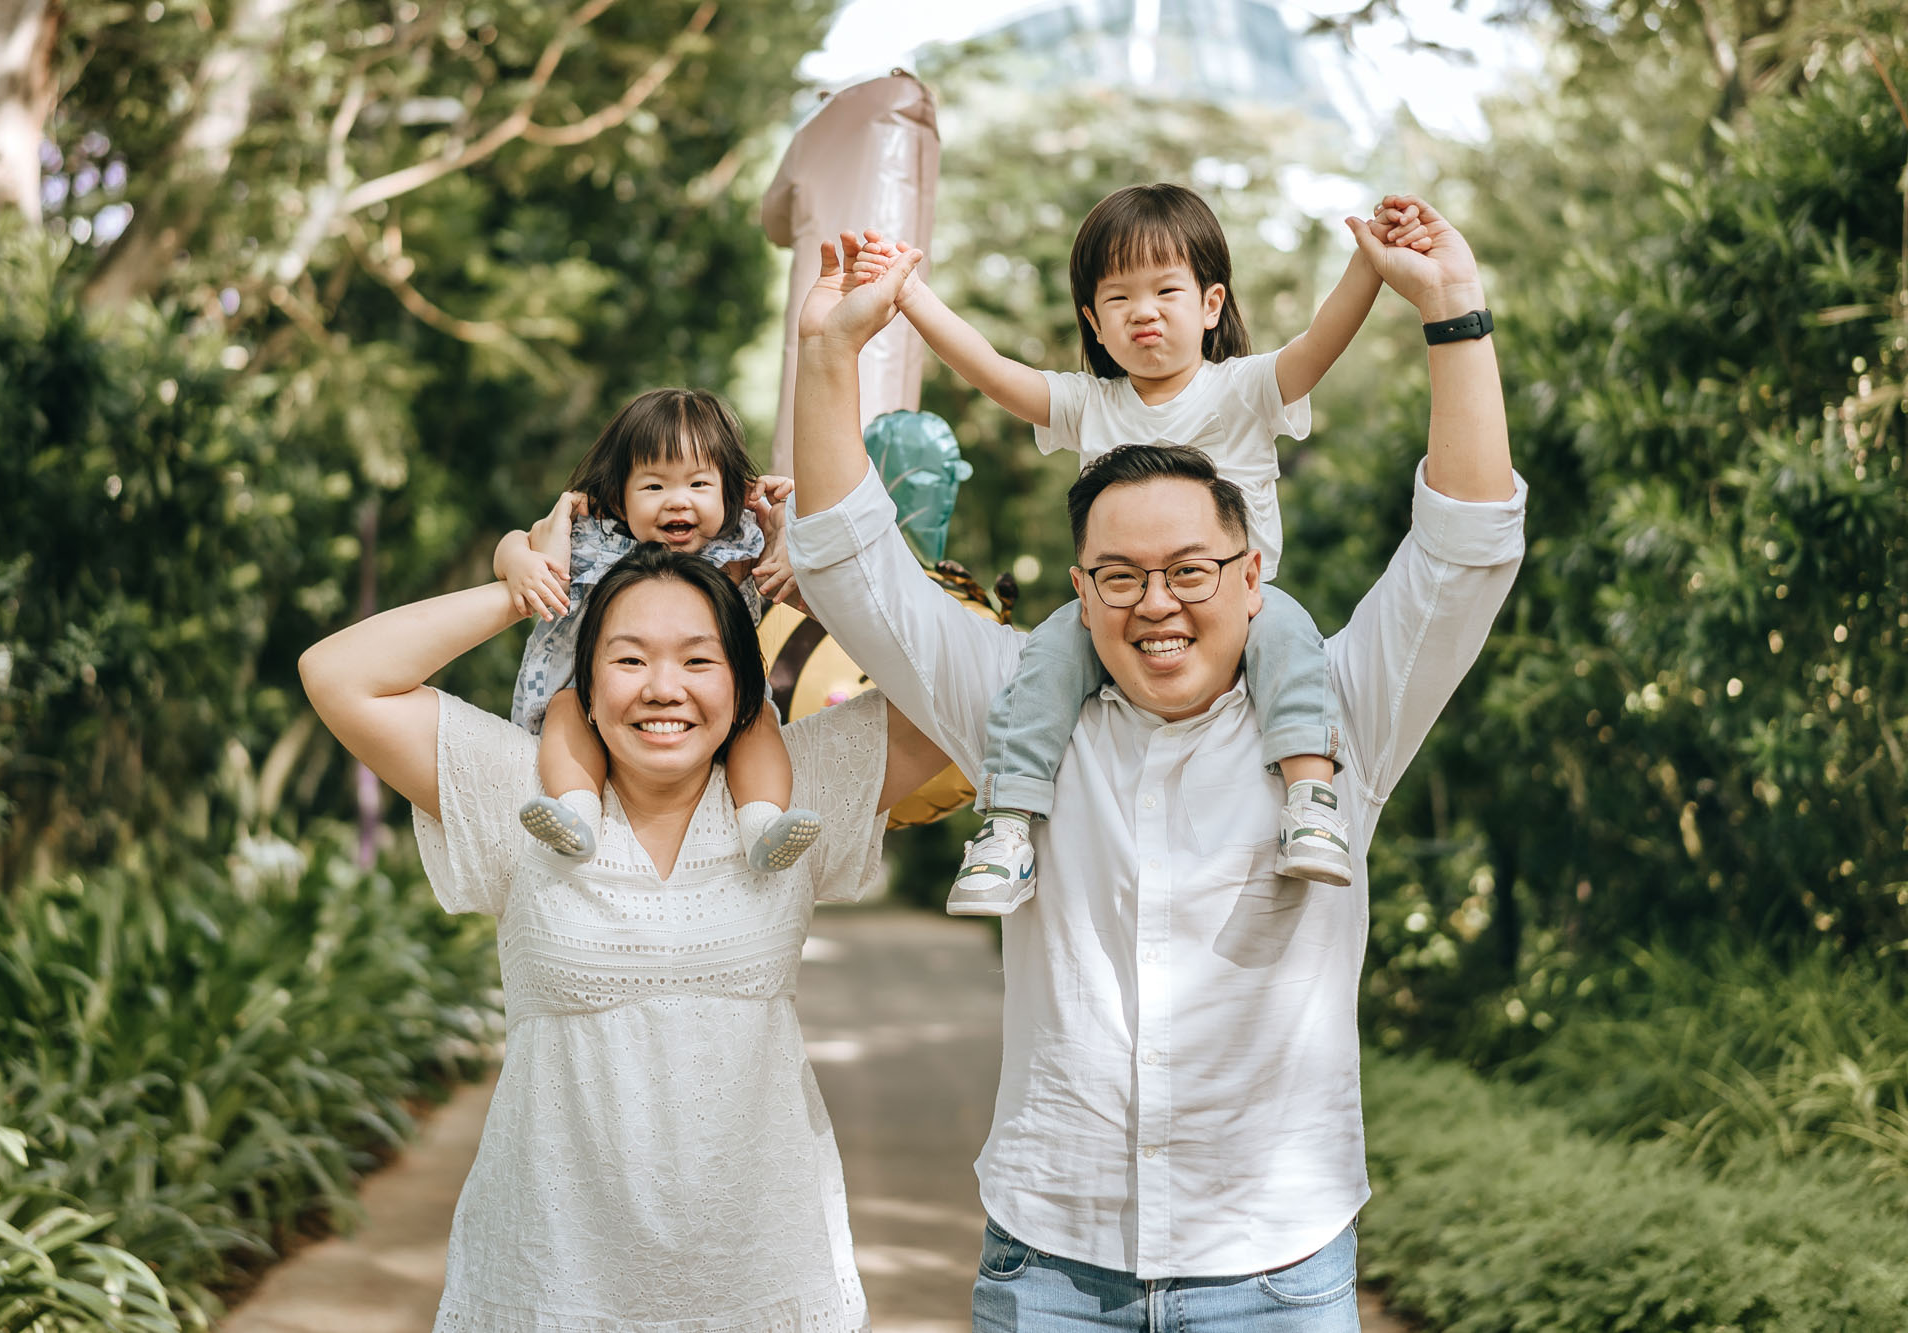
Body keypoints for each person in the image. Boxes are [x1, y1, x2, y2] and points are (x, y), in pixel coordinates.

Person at [787, 198, 1524, 1329]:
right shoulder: (1015, 707)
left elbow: (1462, 550)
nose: (1157, 603)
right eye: (1119, 576)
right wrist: (830, 352)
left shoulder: (1341, 716)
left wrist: (1453, 318)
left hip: (1275, 1271)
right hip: (1048, 1264)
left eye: (1190, 569)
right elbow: (853, 568)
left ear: (1249, 576)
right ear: (1079, 592)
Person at [299, 540, 951, 1331]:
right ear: (587, 679)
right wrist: (522, 589)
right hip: (549, 1283)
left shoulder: (793, 791)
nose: (663, 688)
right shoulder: (522, 790)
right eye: (630, 658)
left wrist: (813, 585)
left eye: (698, 660)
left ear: (742, 681)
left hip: (767, 1281)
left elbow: (966, 688)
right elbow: (338, 674)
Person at [851, 185, 1426, 915]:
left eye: (1165, 290)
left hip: (1237, 604)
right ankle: (1006, 829)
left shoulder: (1244, 389)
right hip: (1116, 605)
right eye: (1118, 298)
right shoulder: (1092, 403)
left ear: (1210, 305)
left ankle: (1312, 803)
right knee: (1044, 663)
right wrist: (908, 293)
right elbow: (993, 371)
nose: (1144, 311)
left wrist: (1370, 265)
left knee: (1293, 641)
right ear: (1093, 320)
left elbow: (1319, 344)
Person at [494, 387, 822, 872]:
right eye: (653, 487)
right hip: (590, 695)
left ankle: (762, 823)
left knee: (757, 717)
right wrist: (521, 562)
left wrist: (783, 529)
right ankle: (576, 815)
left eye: (698, 485)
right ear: (618, 497)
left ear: (732, 492)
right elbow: (515, 543)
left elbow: (814, 573)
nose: (676, 502)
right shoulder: (595, 538)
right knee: (566, 705)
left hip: (718, 701)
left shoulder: (740, 548)